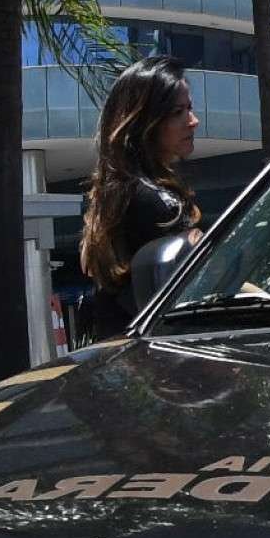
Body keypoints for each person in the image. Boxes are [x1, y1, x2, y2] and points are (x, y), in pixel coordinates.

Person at [75, 56, 204, 340]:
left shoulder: (119, 193)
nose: (193, 121)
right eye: (178, 112)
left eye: (190, 108)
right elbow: (205, 284)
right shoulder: (155, 203)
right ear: (145, 121)